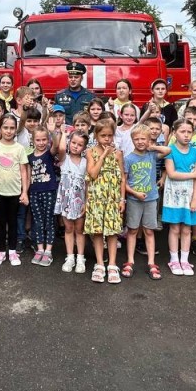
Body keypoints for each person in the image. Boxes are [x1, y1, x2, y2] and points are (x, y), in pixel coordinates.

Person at [122, 124, 168, 280]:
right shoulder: (128, 158)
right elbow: (124, 182)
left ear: (149, 140)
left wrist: (152, 147)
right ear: (132, 140)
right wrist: (134, 193)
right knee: (133, 230)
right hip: (134, 199)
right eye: (137, 139)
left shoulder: (151, 155)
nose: (140, 142)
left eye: (143, 139)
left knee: (149, 230)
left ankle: (151, 262)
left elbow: (168, 151)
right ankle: (130, 260)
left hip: (151, 199)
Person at [84, 119, 127, 284]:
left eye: (110, 136)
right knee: (97, 231)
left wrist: (122, 199)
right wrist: (103, 155)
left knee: (112, 231)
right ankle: (100, 263)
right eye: (103, 136)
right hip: (96, 197)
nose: (107, 139)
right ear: (96, 135)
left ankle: (113, 264)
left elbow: (122, 178)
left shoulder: (118, 153)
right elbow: (93, 174)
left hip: (113, 198)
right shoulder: (90, 152)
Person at [0, 115, 29, 266]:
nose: (9, 131)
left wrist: (24, 192)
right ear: (0, 129)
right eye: (5, 127)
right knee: (0, 222)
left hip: (15, 192)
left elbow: (24, 171)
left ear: (16, 129)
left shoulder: (20, 148)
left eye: (11, 128)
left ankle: (12, 251)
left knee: (13, 221)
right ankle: (1, 251)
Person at [163, 119, 196, 276]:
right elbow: (172, 174)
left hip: (190, 195)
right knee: (174, 228)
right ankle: (174, 259)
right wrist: (193, 174)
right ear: (174, 133)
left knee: (187, 229)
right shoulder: (170, 150)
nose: (186, 135)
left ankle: (185, 260)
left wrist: (195, 198)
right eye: (182, 131)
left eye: (189, 132)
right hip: (173, 195)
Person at [56, 131, 89, 273]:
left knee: (79, 230)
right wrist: (63, 133)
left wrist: (86, 202)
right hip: (66, 200)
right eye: (74, 143)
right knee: (68, 228)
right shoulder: (64, 159)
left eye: (80, 144)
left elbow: (88, 184)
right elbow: (62, 148)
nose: (76, 146)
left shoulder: (86, 162)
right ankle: (70, 257)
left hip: (80, 200)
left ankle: (81, 257)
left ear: (84, 147)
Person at [27, 126, 60, 266]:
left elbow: (56, 146)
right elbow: (28, 176)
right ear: (33, 140)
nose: (41, 143)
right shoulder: (29, 157)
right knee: (38, 221)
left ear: (48, 140)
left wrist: (53, 132)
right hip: (34, 192)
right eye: (38, 140)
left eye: (44, 140)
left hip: (49, 191)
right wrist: (25, 192)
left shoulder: (49, 154)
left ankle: (48, 251)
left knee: (49, 221)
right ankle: (40, 249)